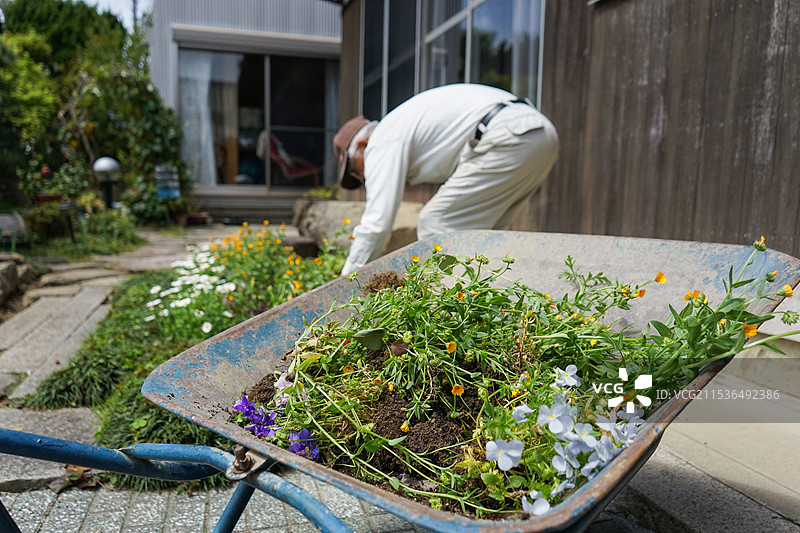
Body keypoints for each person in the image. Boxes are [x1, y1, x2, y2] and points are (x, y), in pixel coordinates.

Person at [334, 83, 559, 276]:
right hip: (541, 133)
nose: (363, 179)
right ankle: (494, 306)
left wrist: (345, 281)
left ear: (362, 146)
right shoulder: (403, 124)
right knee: (487, 235)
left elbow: (377, 225)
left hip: (507, 135)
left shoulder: (381, 141)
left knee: (436, 222)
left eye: (356, 171)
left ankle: (452, 310)